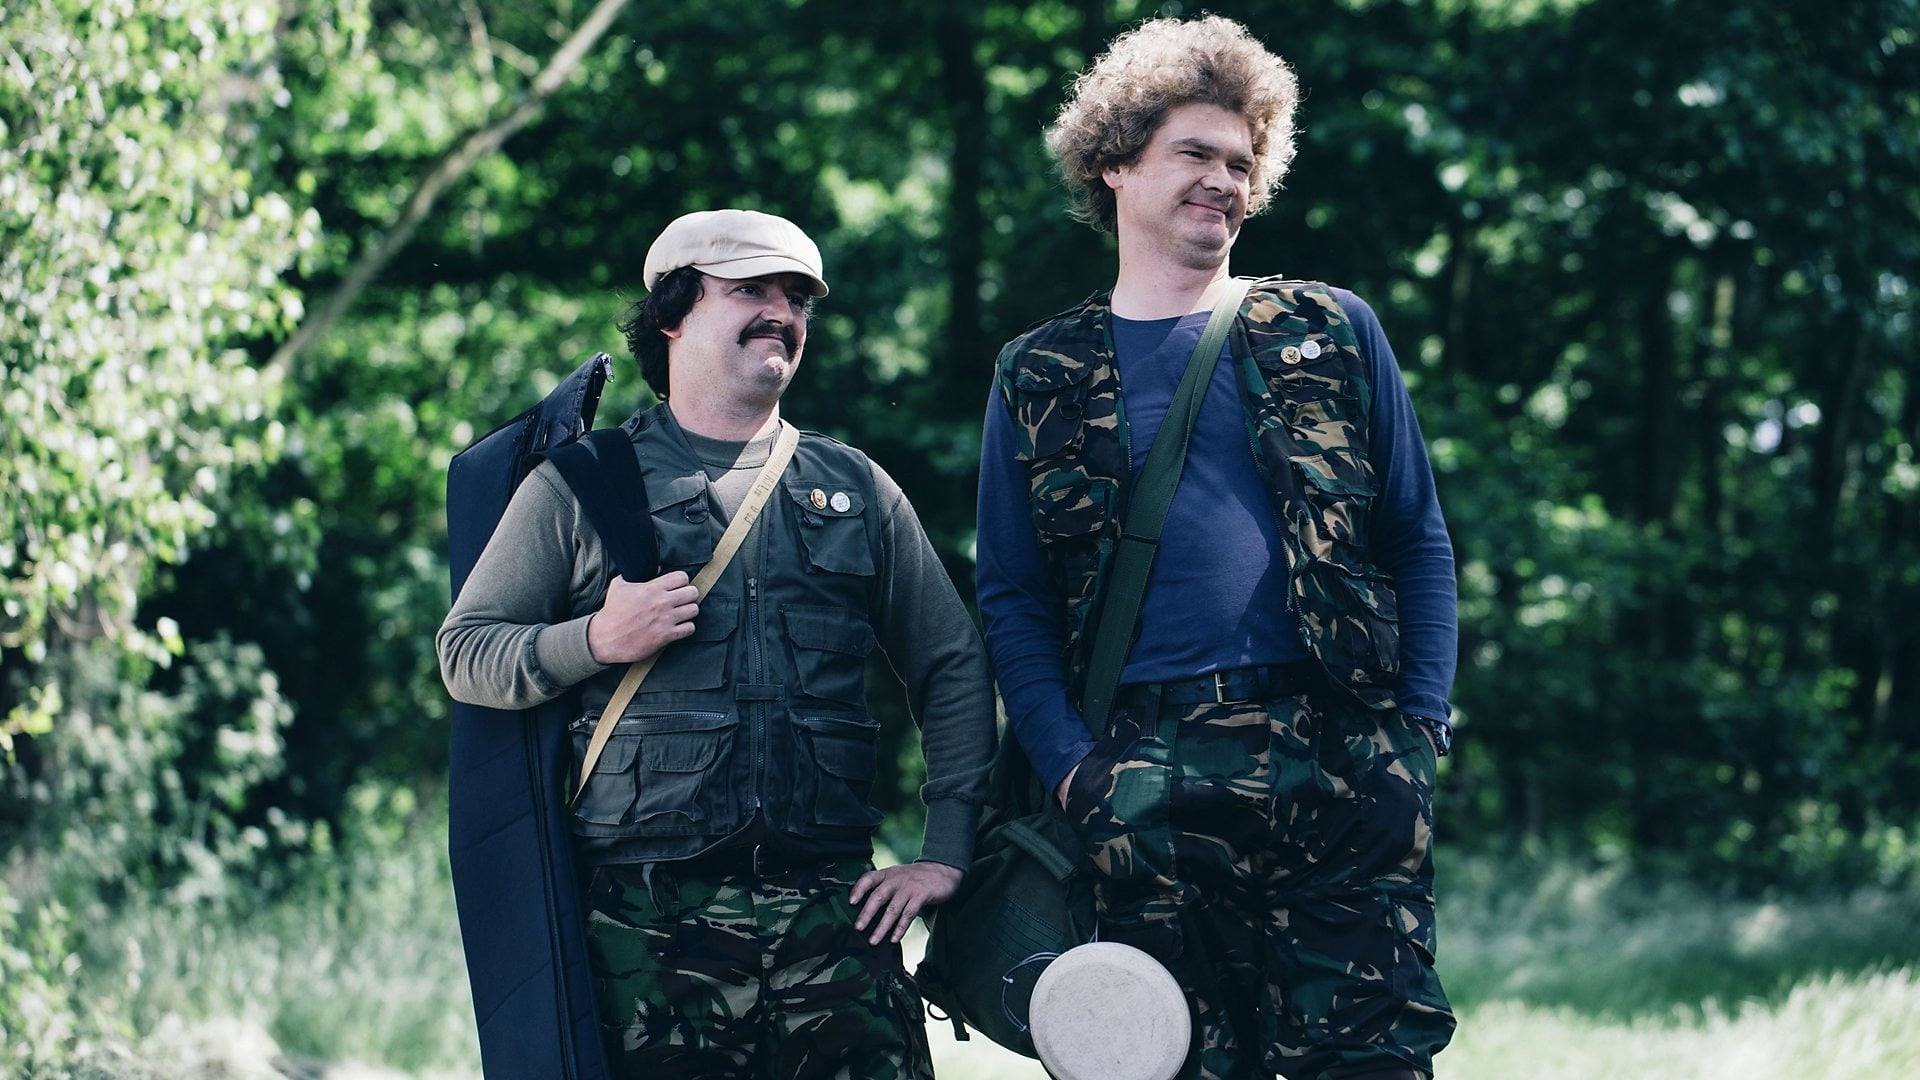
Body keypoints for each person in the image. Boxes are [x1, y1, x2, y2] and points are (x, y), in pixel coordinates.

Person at [976, 16, 1458, 1080]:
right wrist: (1072, 772)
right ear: (1115, 163)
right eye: (1194, 152)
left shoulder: (1333, 330)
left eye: (1242, 162)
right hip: (1143, 773)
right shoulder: (1039, 372)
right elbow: (1011, 596)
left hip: (1345, 759)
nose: (1223, 181)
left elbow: (1418, 538)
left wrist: (1418, 733)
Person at [440, 208, 995, 1079]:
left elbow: (951, 665)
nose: (783, 313)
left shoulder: (856, 488)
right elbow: (467, 652)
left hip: (834, 920)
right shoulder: (582, 483)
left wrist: (946, 851)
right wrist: (596, 637)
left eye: (797, 298)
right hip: (645, 932)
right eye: (750, 290)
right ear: (673, 312)